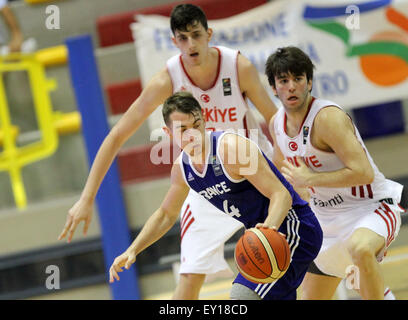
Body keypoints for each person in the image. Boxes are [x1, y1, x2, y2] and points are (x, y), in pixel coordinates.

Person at [58, 4, 277, 299]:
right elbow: (116, 136)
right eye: (183, 38)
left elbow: (275, 121)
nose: (191, 44)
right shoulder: (168, 79)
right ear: (174, 42)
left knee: (284, 259)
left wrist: (288, 160)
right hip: (208, 181)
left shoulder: (238, 67)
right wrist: (86, 198)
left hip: (252, 171)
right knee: (188, 280)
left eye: (196, 35)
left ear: (208, 34)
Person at [108, 91, 323, 300]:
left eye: (197, 125)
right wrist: (133, 249)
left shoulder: (231, 149)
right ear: (168, 133)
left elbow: (281, 194)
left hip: (293, 228)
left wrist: (269, 230)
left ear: (205, 120)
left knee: (243, 296)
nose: (192, 135)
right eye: (183, 130)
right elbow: (166, 214)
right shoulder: (182, 169)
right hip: (266, 236)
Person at [265, 46, 405, 300]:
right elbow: (279, 177)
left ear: (309, 82)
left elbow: (363, 173)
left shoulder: (327, 117)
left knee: (360, 249)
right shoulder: (277, 124)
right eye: (283, 81)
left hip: (370, 207)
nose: (292, 86)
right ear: (274, 88)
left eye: (298, 79)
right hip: (325, 223)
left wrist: (310, 179)